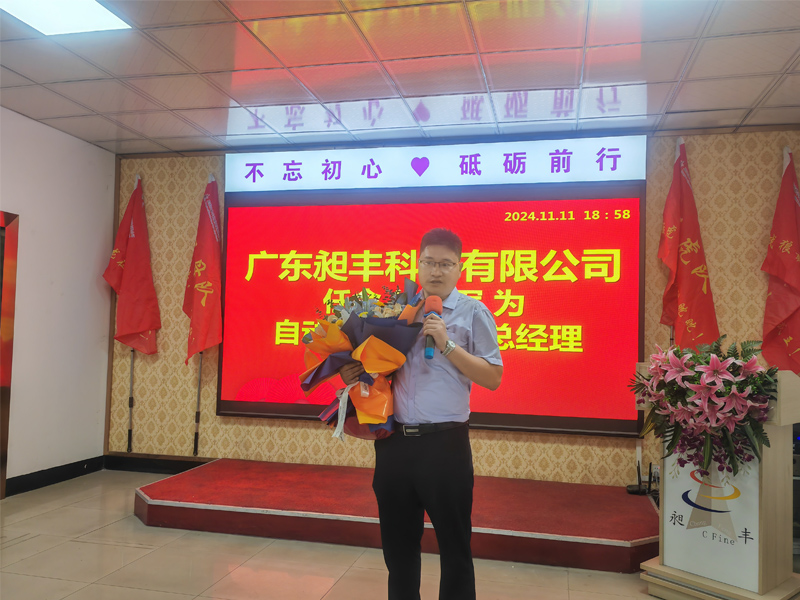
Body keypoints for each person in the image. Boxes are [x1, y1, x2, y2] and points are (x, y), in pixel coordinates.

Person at [340, 228, 503, 600]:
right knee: (398, 551)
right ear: (417, 264)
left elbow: (493, 377)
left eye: (446, 264)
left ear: (460, 268)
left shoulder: (474, 312)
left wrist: (446, 344)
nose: (436, 271)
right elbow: (379, 370)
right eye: (429, 262)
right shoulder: (398, 311)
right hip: (395, 444)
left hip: (445, 444)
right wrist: (354, 370)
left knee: (455, 548)